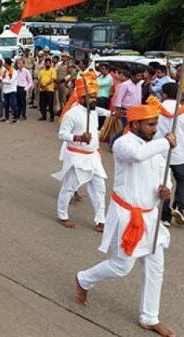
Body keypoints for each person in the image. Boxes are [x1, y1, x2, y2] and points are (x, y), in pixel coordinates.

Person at [75, 102, 177, 337]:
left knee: (155, 266)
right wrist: (166, 142)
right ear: (135, 123)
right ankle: (84, 279)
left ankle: (149, 317)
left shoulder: (157, 146)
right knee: (122, 266)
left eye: (156, 124)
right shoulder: (123, 143)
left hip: (151, 217)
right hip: (128, 217)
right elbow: (138, 156)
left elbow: (164, 171)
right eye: (150, 124)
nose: (154, 129)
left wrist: (166, 188)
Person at [53, 72, 107, 232]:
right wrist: (79, 137)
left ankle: (101, 220)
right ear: (82, 97)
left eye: (95, 96)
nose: (94, 99)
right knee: (69, 187)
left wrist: (115, 114)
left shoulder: (94, 111)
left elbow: (103, 111)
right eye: (91, 96)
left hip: (94, 157)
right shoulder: (72, 114)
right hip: (78, 157)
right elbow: (62, 134)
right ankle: (62, 215)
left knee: (100, 188)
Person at [155, 82, 184, 227]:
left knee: (164, 182)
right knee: (182, 180)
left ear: (164, 94)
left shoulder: (155, 108)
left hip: (160, 152)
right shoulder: (183, 110)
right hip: (179, 153)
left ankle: (165, 216)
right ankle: (179, 206)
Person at [0, 58, 18, 123]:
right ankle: (6, 117)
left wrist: (3, 81)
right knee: (6, 104)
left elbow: (10, 81)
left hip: (12, 90)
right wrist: (4, 80)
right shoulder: (5, 71)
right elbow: (1, 78)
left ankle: (16, 117)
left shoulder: (14, 71)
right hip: (5, 90)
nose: (4, 64)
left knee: (13, 104)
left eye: (4, 63)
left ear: (7, 64)